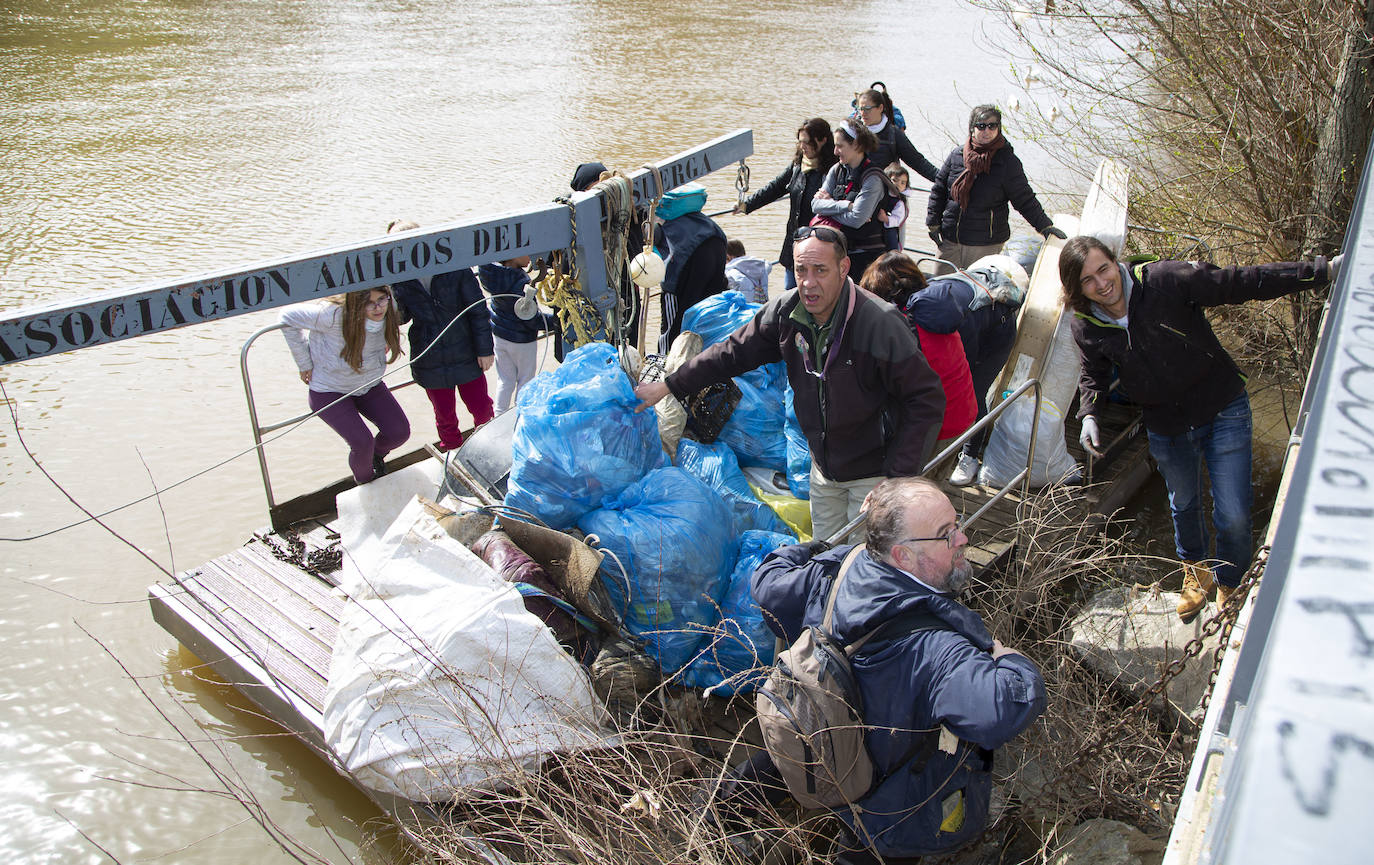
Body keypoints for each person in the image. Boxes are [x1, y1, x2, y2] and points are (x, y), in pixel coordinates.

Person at [739, 476, 1046, 863]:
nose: (964, 539)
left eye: (958, 525)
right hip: (886, 797)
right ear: (902, 555)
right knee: (873, 848)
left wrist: (818, 548)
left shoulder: (841, 569)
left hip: (818, 733)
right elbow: (1001, 711)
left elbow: (768, 586)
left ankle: (722, 809)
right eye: (946, 534)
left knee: (785, 761)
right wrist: (1012, 661)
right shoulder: (937, 646)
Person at [1062, 235, 1341, 620]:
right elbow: (1093, 372)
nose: (1101, 283)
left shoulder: (1164, 281)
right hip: (1166, 425)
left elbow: (1236, 281)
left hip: (1222, 406)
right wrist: (1089, 414)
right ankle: (1197, 574)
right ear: (1077, 290)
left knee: (1234, 513)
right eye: (1087, 280)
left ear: (1116, 262)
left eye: (1103, 269)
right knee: (1184, 503)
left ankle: (1229, 581)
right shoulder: (1086, 325)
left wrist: (1317, 272)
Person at [634, 227, 945, 542]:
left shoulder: (880, 323)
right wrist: (670, 385)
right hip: (823, 470)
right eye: (800, 270)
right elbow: (730, 353)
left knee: (861, 561)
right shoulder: (786, 312)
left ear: (844, 268)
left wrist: (896, 480)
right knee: (825, 553)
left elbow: (925, 400)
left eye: (820, 270)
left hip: (873, 472)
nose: (808, 283)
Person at [910, 256, 1027, 486]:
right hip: (977, 314)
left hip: (997, 328)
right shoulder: (917, 303)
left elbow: (960, 369)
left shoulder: (951, 320)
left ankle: (970, 456)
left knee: (973, 390)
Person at [279, 287, 410, 484]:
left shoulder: (388, 306)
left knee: (399, 432)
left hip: (368, 384)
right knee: (361, 443)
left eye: (381, 299)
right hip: (329, 390)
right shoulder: (331, 315)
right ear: (355, 302)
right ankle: (365, 483)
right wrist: (304, 362)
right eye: (369, 302)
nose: (377, 308)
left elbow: (388, 314)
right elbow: (286, 316)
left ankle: (375, 457)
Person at [386, 219, 494, 451]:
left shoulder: (454, 267)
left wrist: (485, 349)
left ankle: (490, 447)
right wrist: (388, 300)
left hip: (466, 350)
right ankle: (452, 451)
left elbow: (477, 310)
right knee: (444, 415)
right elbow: (402, 317)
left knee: (481, 407)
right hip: (429, 356)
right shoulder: (398, 278)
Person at [861, 251, 976, 456]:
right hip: (963, 417)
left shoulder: (902, 329)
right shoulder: (936, 309)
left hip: (935, 429)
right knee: (933, 482)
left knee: (910, 484)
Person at [926, 105, 1065, 273]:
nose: (987, 130)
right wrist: (933, 223)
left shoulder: (1007, 161)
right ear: (972, 128)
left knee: (977, 294)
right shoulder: (957, 155)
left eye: (992, 126)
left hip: (986, 245)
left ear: (999, 128)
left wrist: (1044, 226)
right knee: (941, 290)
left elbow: (1024, 199)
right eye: (981, 126)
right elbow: (939, 190)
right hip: (950, 241)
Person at [734, 118, 837, 289]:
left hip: (819, 243)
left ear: (823, 140)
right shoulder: (798, 165)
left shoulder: (834, 171)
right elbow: (775, 188)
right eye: (800, 142)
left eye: (807, 142)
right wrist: (746, 205)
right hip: (795, 241)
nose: (802, 146)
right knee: (790, 292)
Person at [812, 120, 903, 281]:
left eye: (840, 146)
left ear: (857, 145)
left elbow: (856, 220)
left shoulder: (872, 178)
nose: (835, 151)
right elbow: (815, 205)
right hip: (838, 252)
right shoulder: (837, 170)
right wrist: (846, 205)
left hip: (865, 258)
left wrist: (828, 208)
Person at [477, 253, 559, 414]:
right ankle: (519, 417)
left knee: (505, 381)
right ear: (513, 256)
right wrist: (557, 322)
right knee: (526, 380)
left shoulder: (491, 275)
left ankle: (499, 416)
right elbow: (530, 318)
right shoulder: (520, 282)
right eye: (527, 251)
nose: (533, 256)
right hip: (522, 341)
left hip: (499, 336)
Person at [654, 185, 728, 352]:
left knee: (673, 325)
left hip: (687, 263)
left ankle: (664, 365)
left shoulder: (659, 224)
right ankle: (705, 362)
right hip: (715, 246)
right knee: (706, 316)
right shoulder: (702, 220)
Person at [853, 87, 939, 184]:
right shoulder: (852, 131)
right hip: (855, 189)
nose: (863, 113)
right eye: (861, 109)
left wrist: (945, 180)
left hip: (884, 192)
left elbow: (918, 162)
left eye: (867, 109)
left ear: (880, 108)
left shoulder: (893, 134)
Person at [724, 238, 769, 304]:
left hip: (746, 311)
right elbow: (768, 265)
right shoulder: (761, 267)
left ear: (728, 256)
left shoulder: (730, 273)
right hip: (763, 306)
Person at [882, 163, 911, 251]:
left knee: (892, 248)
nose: (898, 184)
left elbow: (898, 219)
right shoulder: (882, 194)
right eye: (895, 180)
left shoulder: (899, 202)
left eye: (903, 183)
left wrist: (886, 219)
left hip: (890, 230)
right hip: (880, 229)